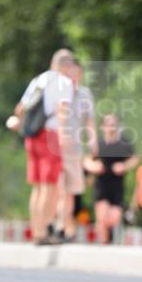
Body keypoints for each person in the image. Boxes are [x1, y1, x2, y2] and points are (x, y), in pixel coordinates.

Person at [9, 49, 75, 245]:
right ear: (66, 65)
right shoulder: (64, 83)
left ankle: (36, 231)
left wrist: (19, 124)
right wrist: (65, 137)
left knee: (37, 187)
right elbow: (62, 111)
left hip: (32, 136)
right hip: (50, 136)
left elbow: (20, 108)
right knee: (50, 186)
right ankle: (43, 232)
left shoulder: (38, 80)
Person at [55, 58, 96, 242]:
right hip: (57, 150)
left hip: (75, 151)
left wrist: (93, 140)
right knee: (60, 191)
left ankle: (67, 229)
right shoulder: (58, 92)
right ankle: (60, 225)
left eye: (76, 73)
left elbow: (89, 120)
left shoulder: (85, 94)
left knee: (72, 192)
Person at [84, 113, 138, 244]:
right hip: (101, 186)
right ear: (103, 127)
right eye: (108, 124)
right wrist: (94, 166)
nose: (111, 127)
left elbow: (135, 158)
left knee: (114, 218)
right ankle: (104, 245)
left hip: (117, 187)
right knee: (102, 217)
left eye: (113, 124)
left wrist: (123, 166)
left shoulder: (123, 144)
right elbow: (86, 161)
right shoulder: (98, 145)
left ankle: (111, 239)